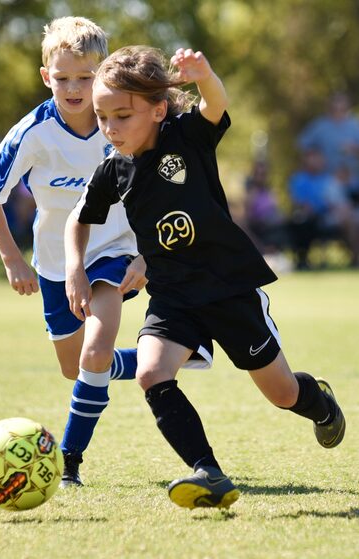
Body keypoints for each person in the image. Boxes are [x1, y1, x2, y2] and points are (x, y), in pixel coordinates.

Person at [65, 45, 346, 510]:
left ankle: (319, 402)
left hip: (229, 287)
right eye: (102, 117)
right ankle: (207, 471)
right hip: (174, 296)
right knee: (152, 372)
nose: (110, 128)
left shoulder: (186, 137)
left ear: (158, 110)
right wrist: (75, 267)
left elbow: (216, 104)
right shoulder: (113, 172)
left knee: (282, 394)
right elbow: (79, 219)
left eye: (121, 115)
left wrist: (204, 75)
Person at [0, 17, 148, 487]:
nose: (74, 88)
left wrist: (146, 256)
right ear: (45, 76)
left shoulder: (121, 122)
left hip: (115, 251)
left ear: (105, 72)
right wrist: (13, 259)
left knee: (95, 347)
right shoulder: (32, 134)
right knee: (75, 368)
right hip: (54, 262)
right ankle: (163, 354)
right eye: (62, 77)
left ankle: (69, 465)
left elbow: (159, 189)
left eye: (86, 77)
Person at [298, 92, 359, 182]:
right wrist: (316, 157)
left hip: (353, 178)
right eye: (335, 109)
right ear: (329, 109)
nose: (338, 112)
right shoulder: (319, 126)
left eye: (342, 109)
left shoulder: (355, 125)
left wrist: (354, 149)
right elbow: (303, 144)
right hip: (326, 179)